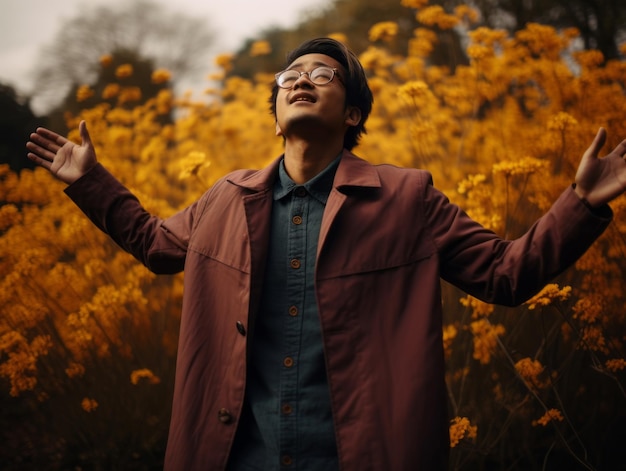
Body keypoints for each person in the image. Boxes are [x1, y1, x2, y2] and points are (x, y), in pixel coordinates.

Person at [26, 38, 626, 471]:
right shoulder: (226, 198)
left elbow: (505, 274)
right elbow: (157, 245)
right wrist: (89, 181)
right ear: (277, 115)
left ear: (354, 113)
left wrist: (581, 203)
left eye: (324, 75)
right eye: (290, 76)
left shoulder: (408, 197)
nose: (301, 80)